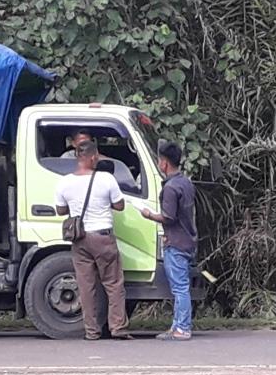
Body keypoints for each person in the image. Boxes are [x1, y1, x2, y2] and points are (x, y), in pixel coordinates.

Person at [55, 140, 133, 340]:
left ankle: (91, 331)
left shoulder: (65, 182)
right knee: (113, 284)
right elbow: (120, 205)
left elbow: (61, 210)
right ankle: (117, 327)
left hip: (80, 239)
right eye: (96, 156)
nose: (98, 159)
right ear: (92, 157)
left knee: (86, 286)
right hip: (103, 237)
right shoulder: (106, 179)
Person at [141, 140, 198, 341]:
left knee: (180, 288)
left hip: (176, 242)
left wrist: (148, 214)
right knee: (180, 287)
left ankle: (182, 328)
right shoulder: (186, 182)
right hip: (188, 240)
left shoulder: (171, 188)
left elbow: (168, 217)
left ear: (164, 163)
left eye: (159, 160)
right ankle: (176, 326)